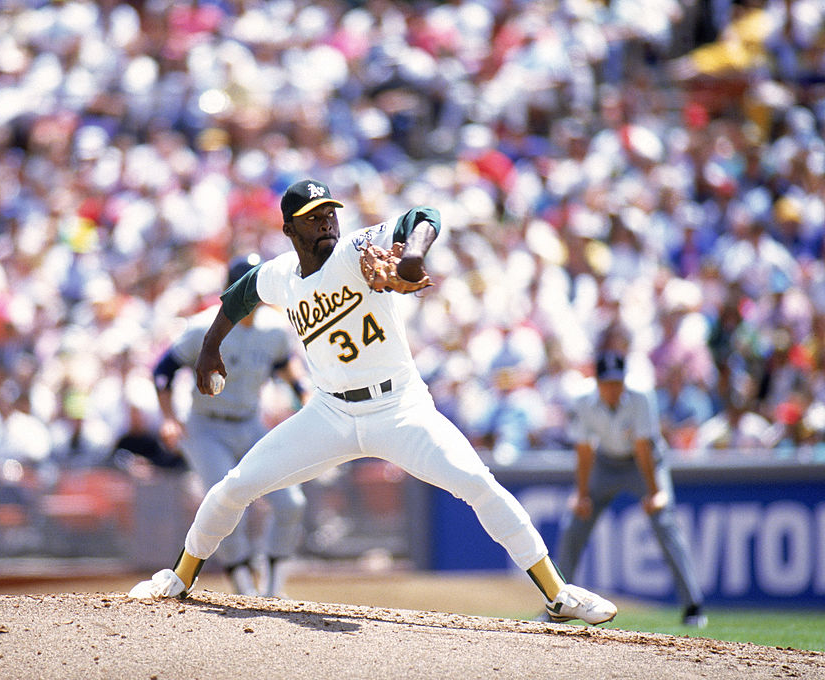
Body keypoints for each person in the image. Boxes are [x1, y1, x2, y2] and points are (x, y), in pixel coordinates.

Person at [129, 178, 617, 625]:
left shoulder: (357, 248)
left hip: (400, 409)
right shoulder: (279, 275)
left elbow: (422, 215)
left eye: (330, 215)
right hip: (330, 413)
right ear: (288, 228)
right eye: (314, 219)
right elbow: (238, 296)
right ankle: (179, 577)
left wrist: (414, 256)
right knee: (235, 487)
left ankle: (558, 594)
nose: (327, 225)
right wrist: (211, 347)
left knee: (478, 484)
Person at [151, 254, 308, 597]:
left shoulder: (273, 329)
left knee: (291, 503)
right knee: (225, 501)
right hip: (207, 428)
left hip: (250, 423)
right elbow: (162, 370)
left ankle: (273, 590)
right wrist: (168, 418)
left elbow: (285, 365)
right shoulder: (202, 326)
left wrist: (303, 391)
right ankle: (242, 588)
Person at [554, 351, 706, 627]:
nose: (613, 389)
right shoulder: (582, 400)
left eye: (617, 382)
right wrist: (582, 494)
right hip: (605, 463)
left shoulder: (641, 395)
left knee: (665, 522)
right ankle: (557, 603)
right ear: (597, 382)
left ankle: (693, 606)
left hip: (643, 464)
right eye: (607, 383)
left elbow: (643, 447)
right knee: (573, 525)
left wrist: (654, 492)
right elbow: (585, 450)